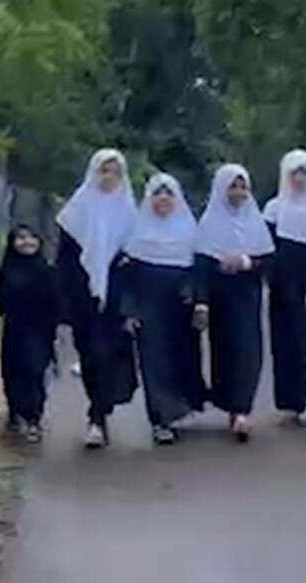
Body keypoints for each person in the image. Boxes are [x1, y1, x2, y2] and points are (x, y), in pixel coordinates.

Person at [56, 148, 139, 449]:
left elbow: (137, 259)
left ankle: (100, 413)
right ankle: (97, 415)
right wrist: (67, 301)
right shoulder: (75, 212)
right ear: (94, 173)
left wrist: (131, 304)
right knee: (91, 355)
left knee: (111, 356)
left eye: (115, 172)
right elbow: (64, 261)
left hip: (116, 299)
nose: (109, 177)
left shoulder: (131, 213)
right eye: (104, 171)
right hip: (84, 297)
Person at [194, 164, 276, 442]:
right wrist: (201, 303)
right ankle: (231, 407)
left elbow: (269, 262)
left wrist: (245, 261)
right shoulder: (208, 223)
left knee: (249, 351)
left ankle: (243, 410)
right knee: (225, 353)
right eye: (233, 186)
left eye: (243, 187)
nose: (238, 192)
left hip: (247, 294)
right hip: (220, 298)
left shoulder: (256, 221)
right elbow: (201, 265)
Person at [121, 173, 203, 446]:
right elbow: (128, 278)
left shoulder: (190, 232)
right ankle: (160, 419)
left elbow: (198, 271)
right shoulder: (137, 233)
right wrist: (130, 311)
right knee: (154, 361)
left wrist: (197, 299)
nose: (163, 199)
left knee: (181, 358)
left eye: (169, 194)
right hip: (149, 306)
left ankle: (180, 407)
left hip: (180, 306)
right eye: (158, 194)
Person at [264, 149, 306, 427]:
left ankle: (304, 395)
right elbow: (267, 250)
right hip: (282, 286)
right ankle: (296, 401)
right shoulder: (274, 210)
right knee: (288, 343)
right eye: (294, 173)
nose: (299, 179)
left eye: (305, 174)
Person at [0, 225, 59, 444]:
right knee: (13, 371)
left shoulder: (47, 270)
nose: (27, 242)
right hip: (14, 328)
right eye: (20, 238)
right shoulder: (7, 269)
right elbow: (0, 298)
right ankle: (16, 412)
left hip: (40, 330)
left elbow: (56, 302)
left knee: (35, 371)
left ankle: (34, 418)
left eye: (32, 237)